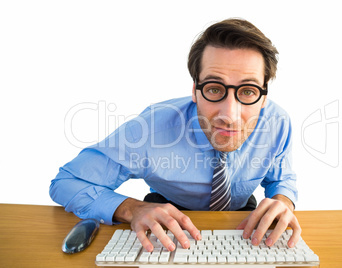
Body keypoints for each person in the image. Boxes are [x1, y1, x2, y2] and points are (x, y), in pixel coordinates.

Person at [50, 18, 301, 253]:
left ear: (265, 96)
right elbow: (66, 182)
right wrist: (130, 208)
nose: (230, 115)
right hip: (165, 213)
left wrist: (282, 201)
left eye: (248, 91)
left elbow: (282, 178)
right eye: (214, 89)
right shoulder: (150, 129)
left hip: (239, 216)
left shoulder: (277, 122)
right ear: (195, 90)